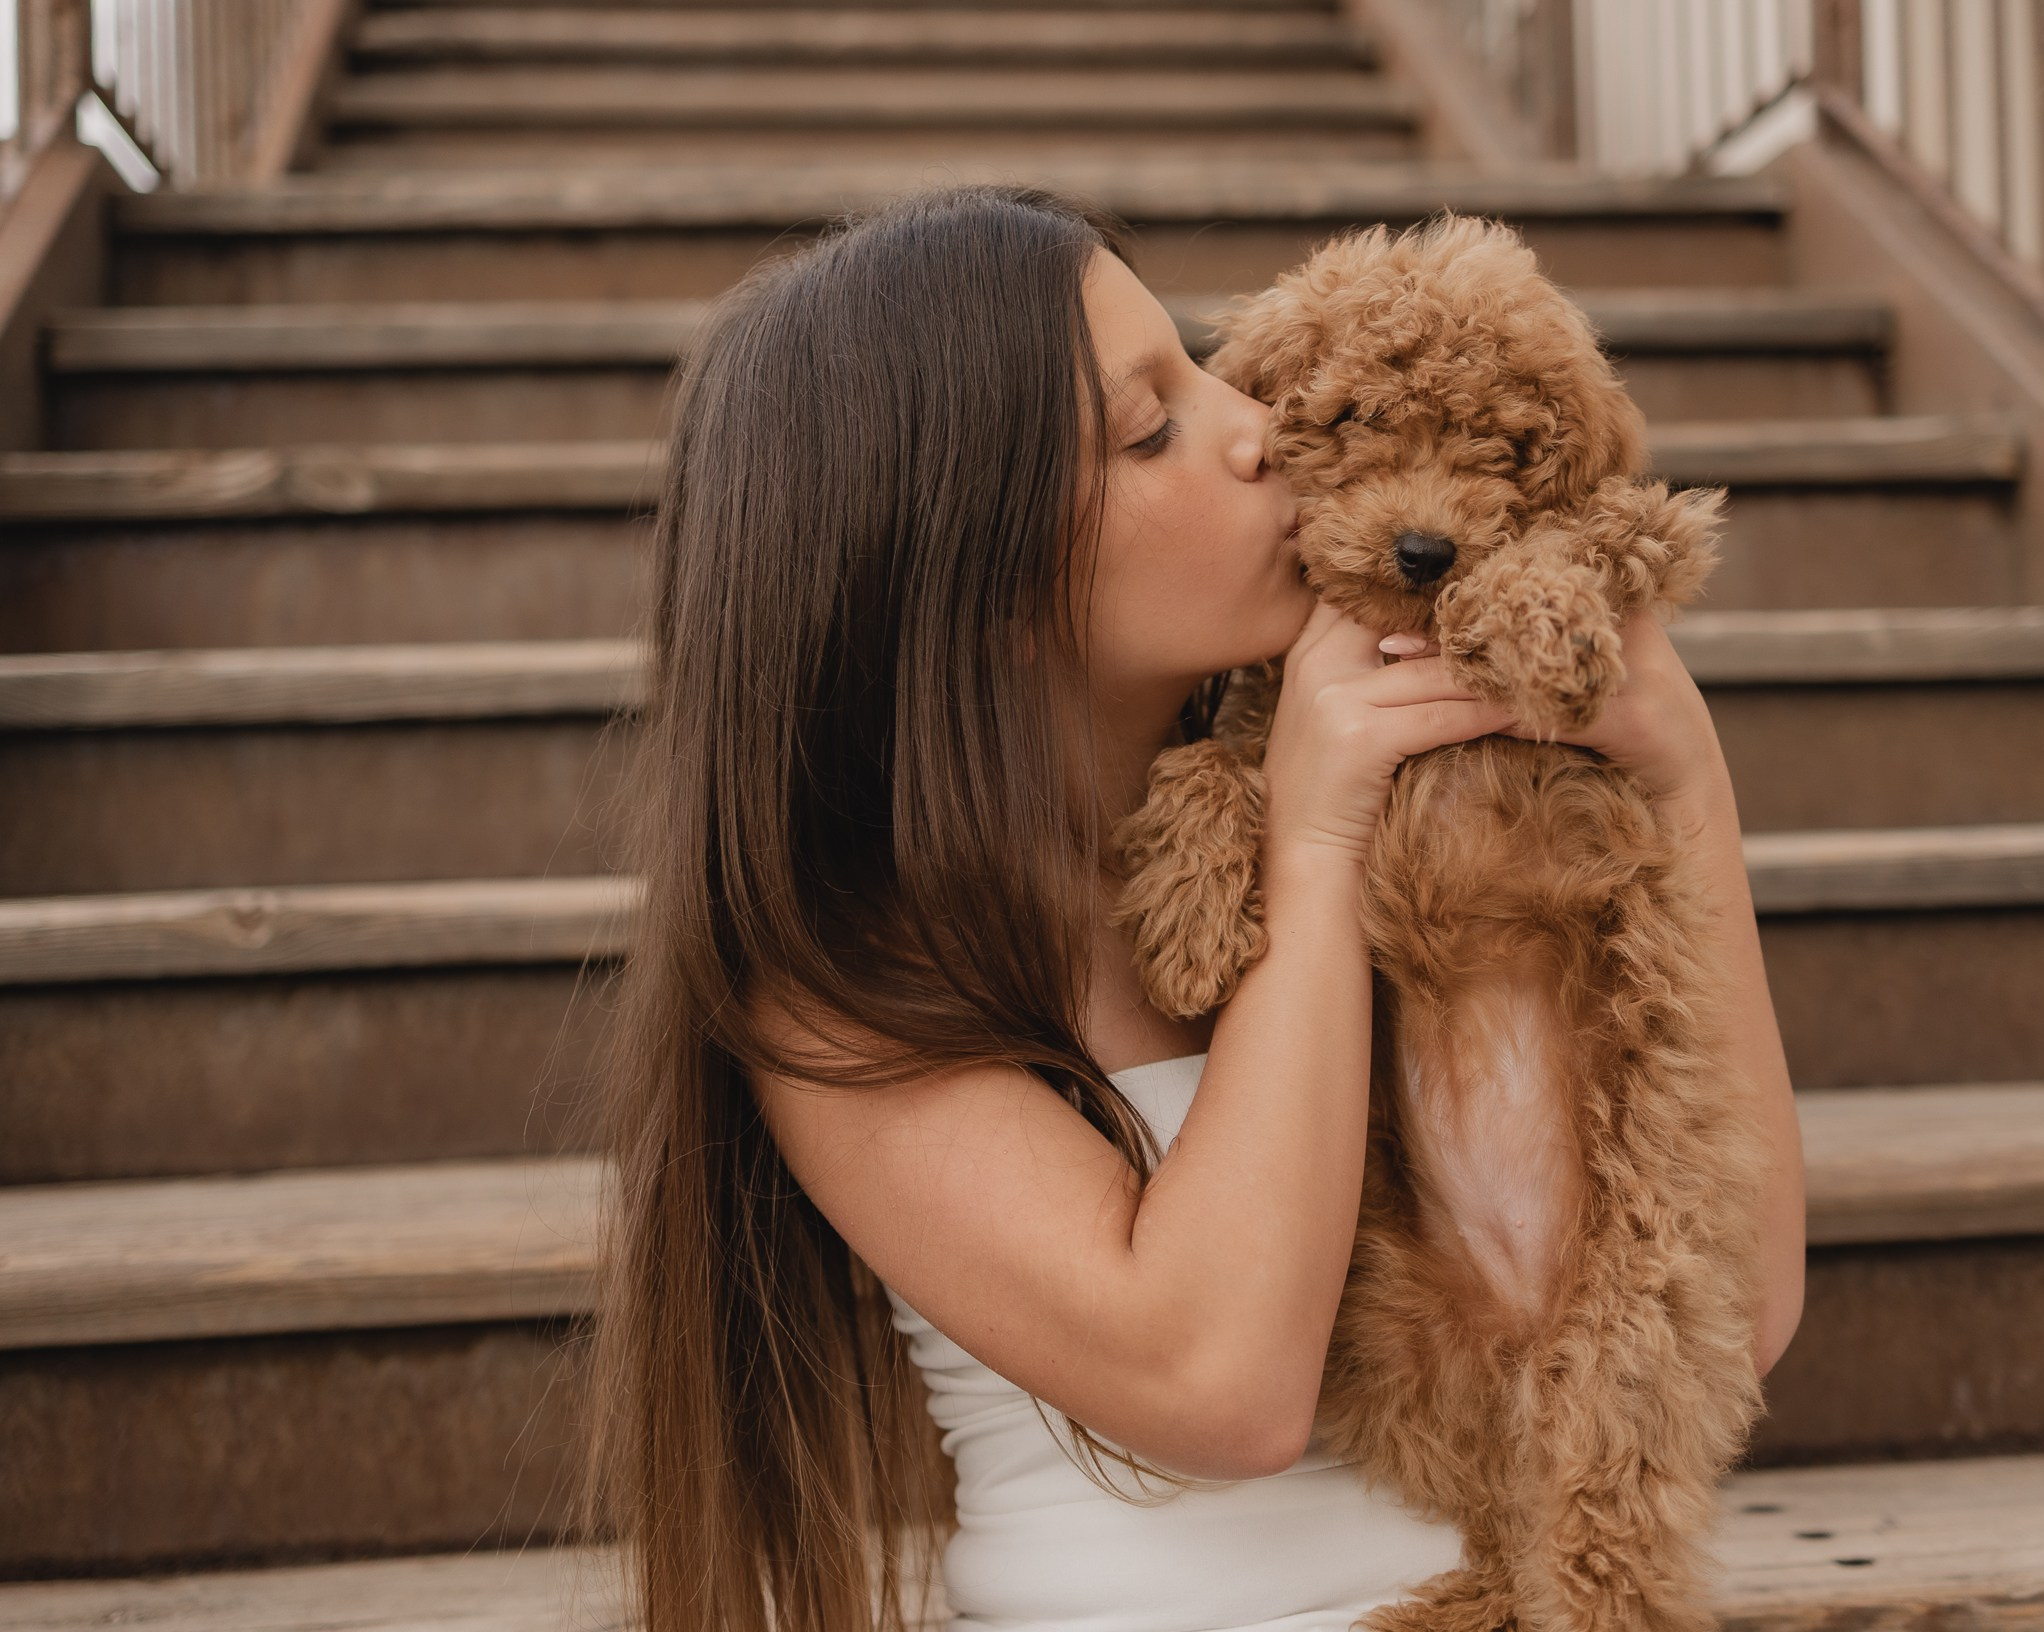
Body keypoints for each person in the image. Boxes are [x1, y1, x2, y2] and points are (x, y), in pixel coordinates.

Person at [589, 184, 1808, 1632]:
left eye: (1200, 363)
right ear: (981, 587)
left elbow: (1731, 1310)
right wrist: (1311, 843)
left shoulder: (1429, 809)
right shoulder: (847, 979)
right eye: (1151, 427)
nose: (1254, 426)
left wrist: (1680, 775)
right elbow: (1223, 1387)